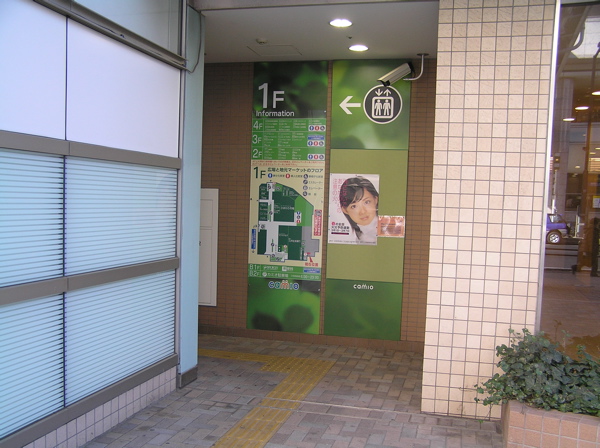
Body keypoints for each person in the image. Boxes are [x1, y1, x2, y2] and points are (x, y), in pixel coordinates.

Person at [339, 176, 379, 244]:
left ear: (376, 199)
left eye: (367, 202)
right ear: (345, 210)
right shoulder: (359, 238)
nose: (362, 212)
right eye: (354, 206)